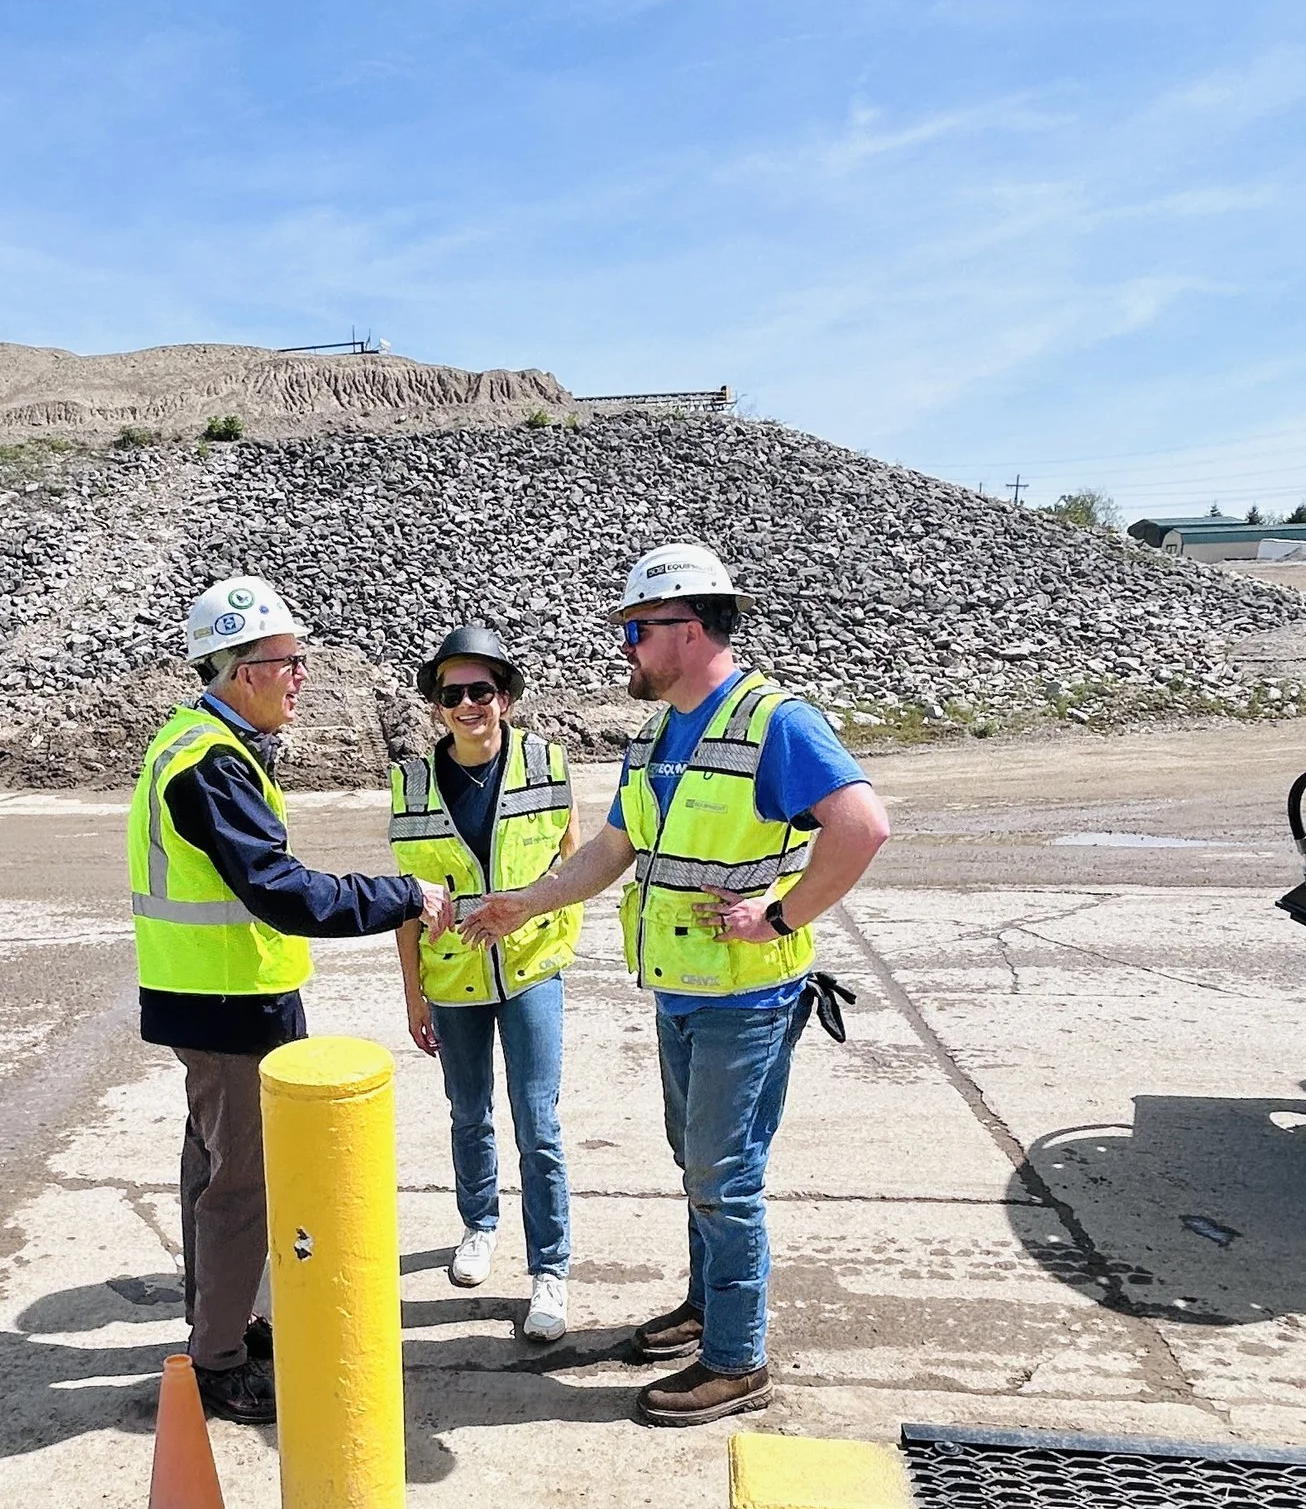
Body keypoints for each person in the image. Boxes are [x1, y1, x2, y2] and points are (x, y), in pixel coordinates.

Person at [467, 541, 890, 1426]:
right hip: (681, 991)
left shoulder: (777, 722)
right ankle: (707, 1310)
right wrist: (528, 901)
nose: (625, 645)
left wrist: (779, 915)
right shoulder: (658, 733)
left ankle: (737, 1359)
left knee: (724, 1174)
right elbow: (615, 848)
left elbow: (862, 826)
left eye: (636, 629)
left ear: (688, 630)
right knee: (697, 1163)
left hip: (751, 997)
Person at [128, 577, 455, 1423]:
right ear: (242, 671)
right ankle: (221, 1361)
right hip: (231, 1004)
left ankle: (222, 1321)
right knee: (242, 1185)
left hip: (210, 996)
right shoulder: (209, 765)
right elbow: (283, 892)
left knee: (211, 1169)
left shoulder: (196, 742)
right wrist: (403, 897)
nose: (302, 676)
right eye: (289, 662)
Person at [389, 624, 583, 1347]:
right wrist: (412, 995)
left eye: (482, 690)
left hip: (531, 969)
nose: (469, 704)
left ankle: (550, 1268)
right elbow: (406, 905)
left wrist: (528, 916)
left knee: (539, 1122)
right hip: (454, 980)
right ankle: (479, 1223)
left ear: (505, 696)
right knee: (468, 1112)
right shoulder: (411, 786)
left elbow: (574, 867)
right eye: (452, 693)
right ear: (436, 705)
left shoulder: (546, 765)